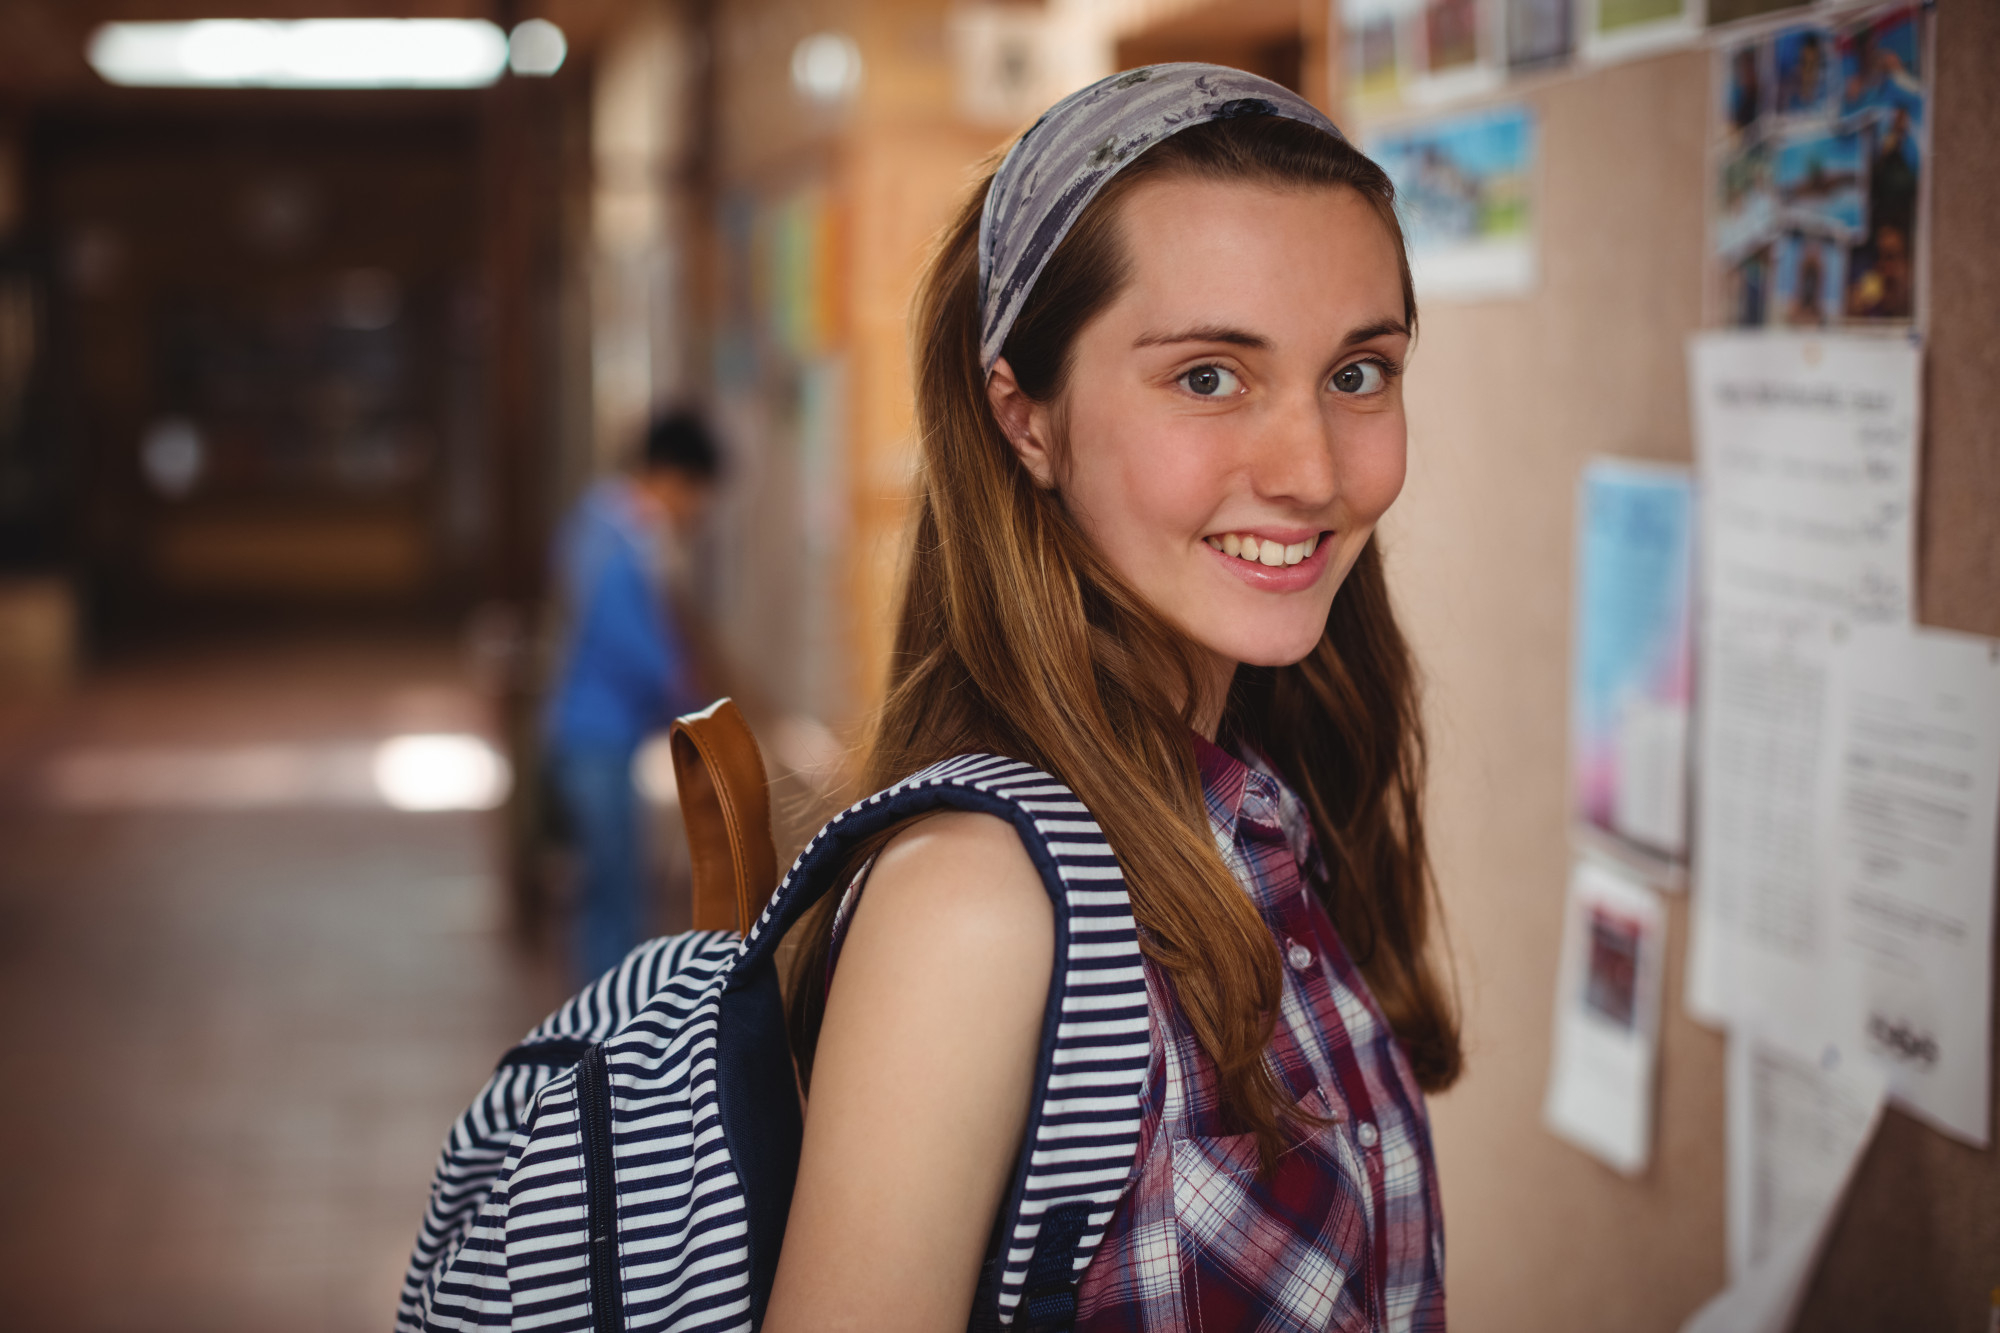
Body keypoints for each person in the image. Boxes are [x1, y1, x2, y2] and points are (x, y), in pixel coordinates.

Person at [767, 66, 1459, 1330]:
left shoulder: (1261, 796)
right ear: (1024, 419)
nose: (1311, 471)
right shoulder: (978, 905)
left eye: (1358, 372)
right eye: (1208, 377)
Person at [545, 411, 717, 982]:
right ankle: (608, 1011)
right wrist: (689, 693)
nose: (695, 512)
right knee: (611, 886)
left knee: (613, 885)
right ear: (669, 476)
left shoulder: (607, 525)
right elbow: (625, 637)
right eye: (695, 494)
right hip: (594, 735)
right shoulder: (616, 535)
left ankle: (607, 1001)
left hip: (600, 733)